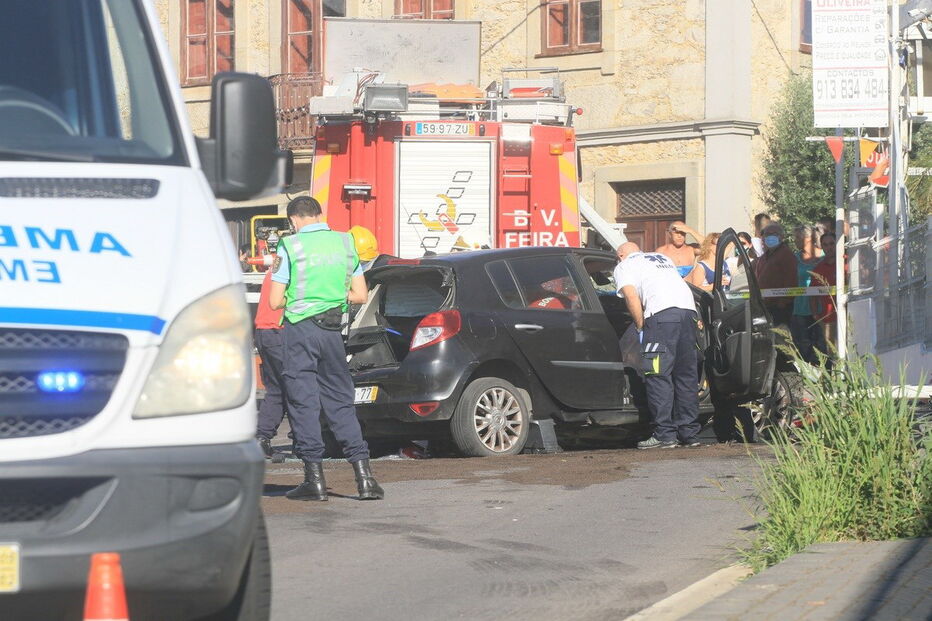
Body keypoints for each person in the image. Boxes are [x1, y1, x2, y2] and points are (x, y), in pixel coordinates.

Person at [269, 197, 384, 502]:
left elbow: (274, 301)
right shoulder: (346, 243)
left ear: (293, 220)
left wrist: (302, 298)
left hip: (300, 332)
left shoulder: (289, 246)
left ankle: (314, 481)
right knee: (340, 401)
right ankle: (365, 479)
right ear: (320, 215)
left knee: (303, 403)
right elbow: (359, 295)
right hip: (332, 333)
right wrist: (332, 295)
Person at [614, 242, 701, 449]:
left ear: (620, 255)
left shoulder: (624, 266)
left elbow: (631, 296)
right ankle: (689, 434)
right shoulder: (662, 259)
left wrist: (641, 326)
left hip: (661, 318)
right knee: (686, 375)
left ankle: (664, 435)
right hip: (688, 313)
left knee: (657, 375)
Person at [254, 242, 292, 459]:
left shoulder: (278, 265)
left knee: (277, 388)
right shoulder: (292, 265)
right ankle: (303, 439)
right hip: (279, 331)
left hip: (264, 331)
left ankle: (262, 438)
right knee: (296, 386)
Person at [754, 222, 797, 330]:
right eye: (766, 234)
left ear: (781, 237)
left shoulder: (785, 254)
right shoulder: (764, 257)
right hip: (765, 306)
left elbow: (791, 278)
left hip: (780, 307)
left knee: (780, 338)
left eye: (773, 234)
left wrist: (783, 302)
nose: (769, 237)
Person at [790, 224, 822, 364]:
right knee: (803, 345)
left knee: (821, 344)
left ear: (808, 238)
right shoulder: (794, 258)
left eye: (797, 237)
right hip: (800, 308)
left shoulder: (823, 256)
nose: (795, 240)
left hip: (821, 308)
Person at [810, 232, 840, 355]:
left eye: (832, 244)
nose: (829, 247)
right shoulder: (818, 269)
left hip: (851, 315)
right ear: (822, 247)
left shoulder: (847, 263)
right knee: (833, 354)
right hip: (828, 319)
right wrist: (815, 314)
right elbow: (812, 293)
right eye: (825, 245)